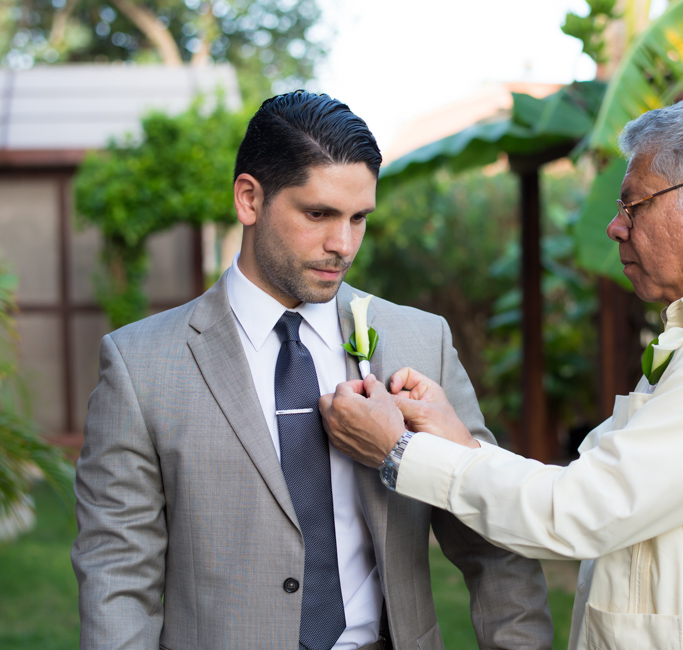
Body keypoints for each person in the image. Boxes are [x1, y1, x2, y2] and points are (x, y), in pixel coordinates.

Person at [320, 96, 683, 650]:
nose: (615, 227)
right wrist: (458, 440)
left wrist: (399, 451)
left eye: (635, 206)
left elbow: (581, 511)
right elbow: (600, 482)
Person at [71, 90, 553, 650]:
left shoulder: (421, 342)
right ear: (250, 199)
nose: (342, 245)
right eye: (318, 214)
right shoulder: (141, 366)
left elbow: (492, 542)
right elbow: (117, 578)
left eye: (359, 219)